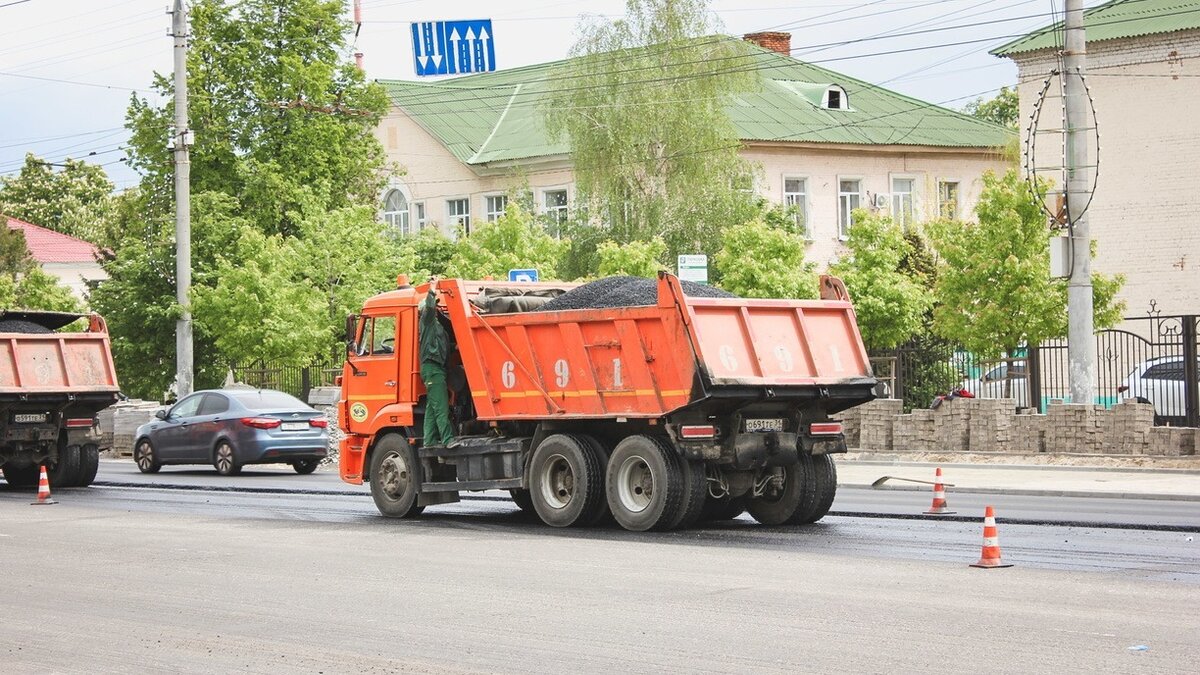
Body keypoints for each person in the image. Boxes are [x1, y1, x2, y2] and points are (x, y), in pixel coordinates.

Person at [419, 276, 454, 448]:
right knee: (441, 407)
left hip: (435, 369)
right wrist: (432, 287)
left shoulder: (438, 328)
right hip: (432, 368)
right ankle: (447, 440)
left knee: (432, 409)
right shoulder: (427, 322)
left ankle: (429, 440)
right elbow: (430, 307)